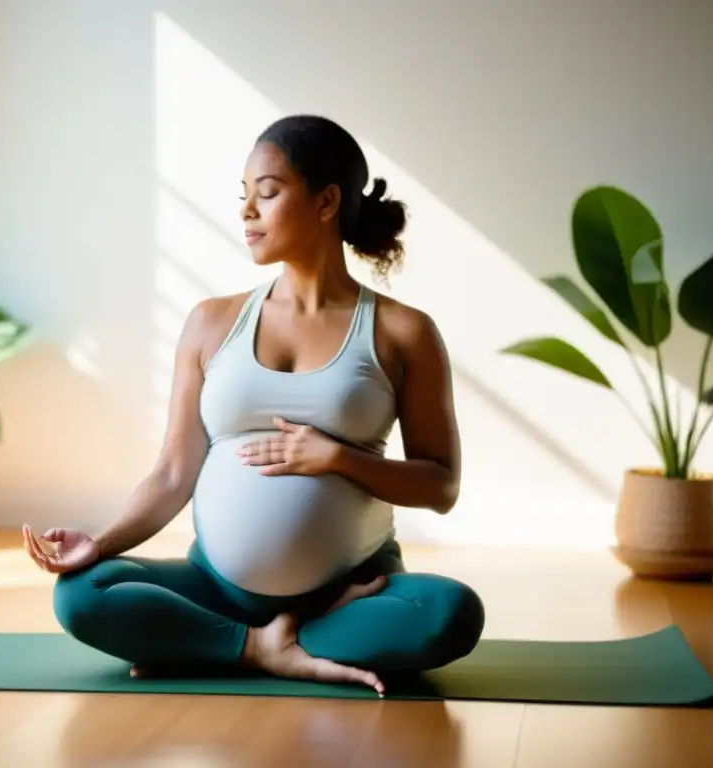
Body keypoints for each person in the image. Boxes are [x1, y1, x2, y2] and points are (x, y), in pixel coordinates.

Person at [24, 114, 485, 696]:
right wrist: (102, 542)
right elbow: (172, 473)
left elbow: (440, 486)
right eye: (244, 197)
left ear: (326, 203)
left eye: (266, 194)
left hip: (353, 588)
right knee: (81, 595)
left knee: (451, 613)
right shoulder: (211, 323)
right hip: (217, 585)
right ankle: (264, 646)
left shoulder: (402, 332)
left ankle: (219, 643)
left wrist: (338, 458)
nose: (247, 212)